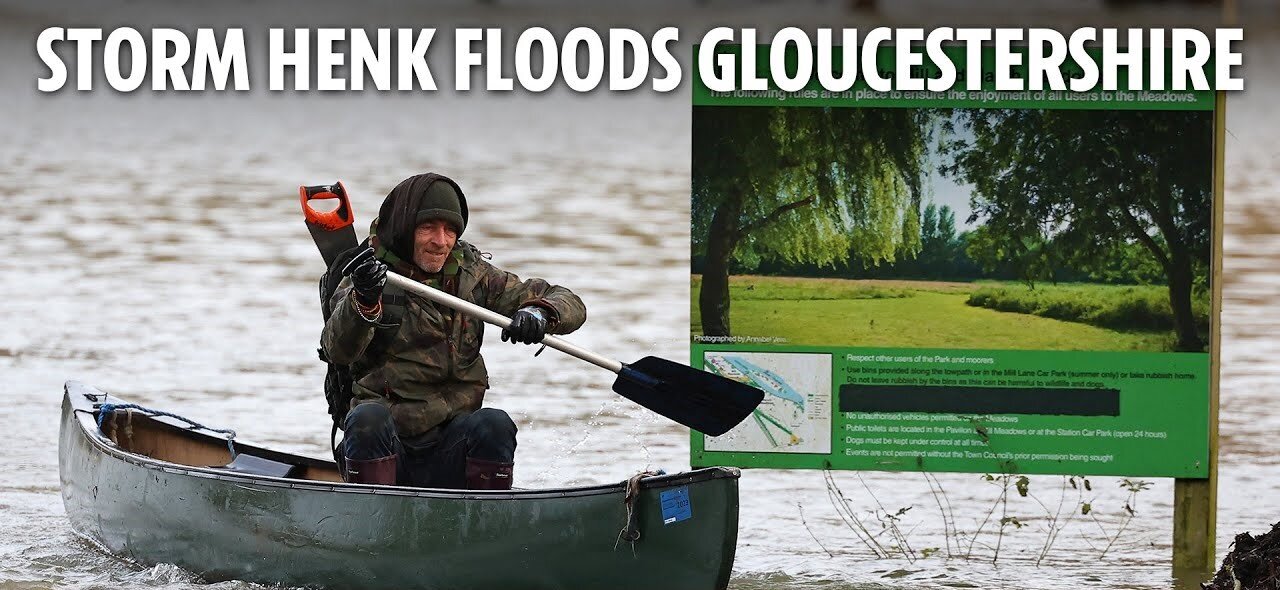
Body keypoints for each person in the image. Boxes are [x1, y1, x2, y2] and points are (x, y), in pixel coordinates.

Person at [320, 173, 586, 490]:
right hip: (387, 447)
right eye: (428, 228)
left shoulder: (472, 275)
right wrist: (363, 300)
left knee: (494, 424)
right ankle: (370, 516)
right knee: (367, 420)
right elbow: (338, 349)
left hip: (451, 447)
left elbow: (570, 301)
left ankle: (484, 521)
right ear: (405, 229)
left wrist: (541, 311)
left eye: (450, 230)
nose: (441, 241)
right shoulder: (366, 274)